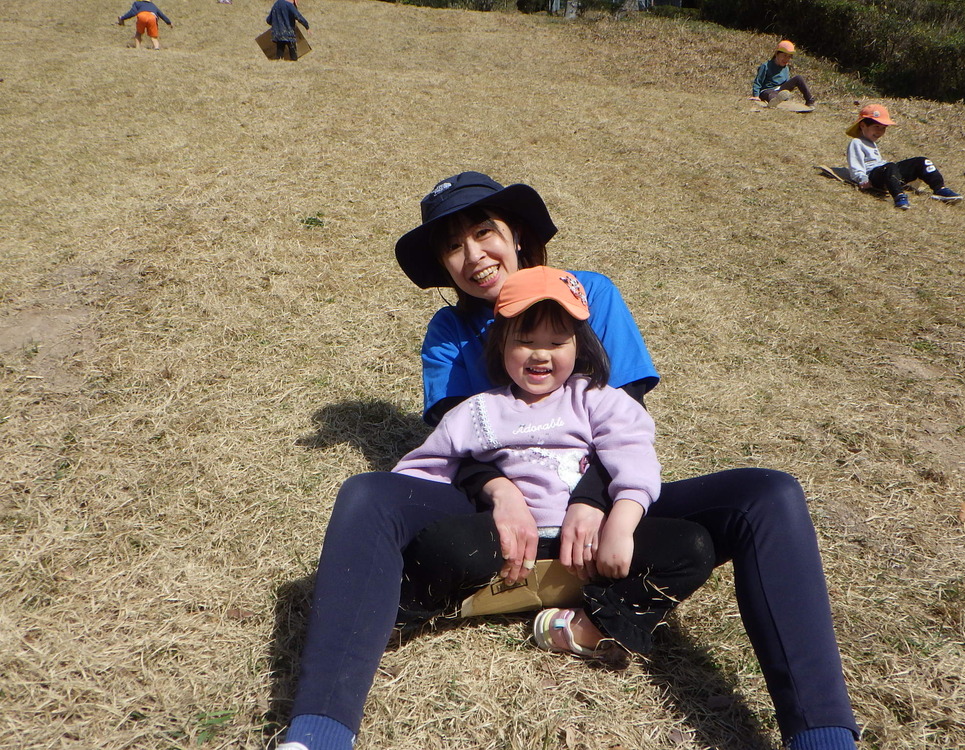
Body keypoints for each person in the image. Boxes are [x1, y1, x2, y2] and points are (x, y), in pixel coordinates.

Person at [280, 172, 859, 750]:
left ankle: (822, 734)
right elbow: (460, 446)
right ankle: (319, 730)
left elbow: (623, 425)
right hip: (494, 518)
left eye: (484, 232)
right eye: (453, 246)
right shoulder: (450, 331)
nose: (473, 255)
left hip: (603, 507)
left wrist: (594, 499)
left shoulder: (589, 294)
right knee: (369, 493)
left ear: (518, 234)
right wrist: (501, 492)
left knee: (769, 493)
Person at [393, 265, 715, 657]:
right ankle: (400, 615)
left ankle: (592, 623)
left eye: (557, 342)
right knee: (444, 545)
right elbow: (420, 473)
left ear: (579, 345)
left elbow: (634, 455)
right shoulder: (479, 410)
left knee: (692, 547)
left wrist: (622, 524)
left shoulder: (597, 398)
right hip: (511, 546)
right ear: (500, 343)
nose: (540, 354)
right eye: (525, 340)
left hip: (592, 548)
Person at [846, 103, 963, 210]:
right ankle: (899, 196)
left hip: (888, 172)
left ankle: (940, 189)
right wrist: (862, 179)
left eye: (883, 128)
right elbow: (856, 165)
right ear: (863, 125)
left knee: (922, 161)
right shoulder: (857, 142)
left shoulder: (872, 143)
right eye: (876, 127)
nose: (880, 132)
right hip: (874, 177)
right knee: (889, 167)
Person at [751, 40, 816, 109]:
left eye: (789, 56)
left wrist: (786, 92)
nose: (786, 59)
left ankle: (810, 100)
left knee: (798, 78)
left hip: (780, 91)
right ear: (777, 54)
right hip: (767, 90)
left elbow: (787, 83)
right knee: (771, 95)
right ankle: (774, 101)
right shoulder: (765, 66)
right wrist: (756, 96)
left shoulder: (786, 68)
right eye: (784, 55)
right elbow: (758, 82)